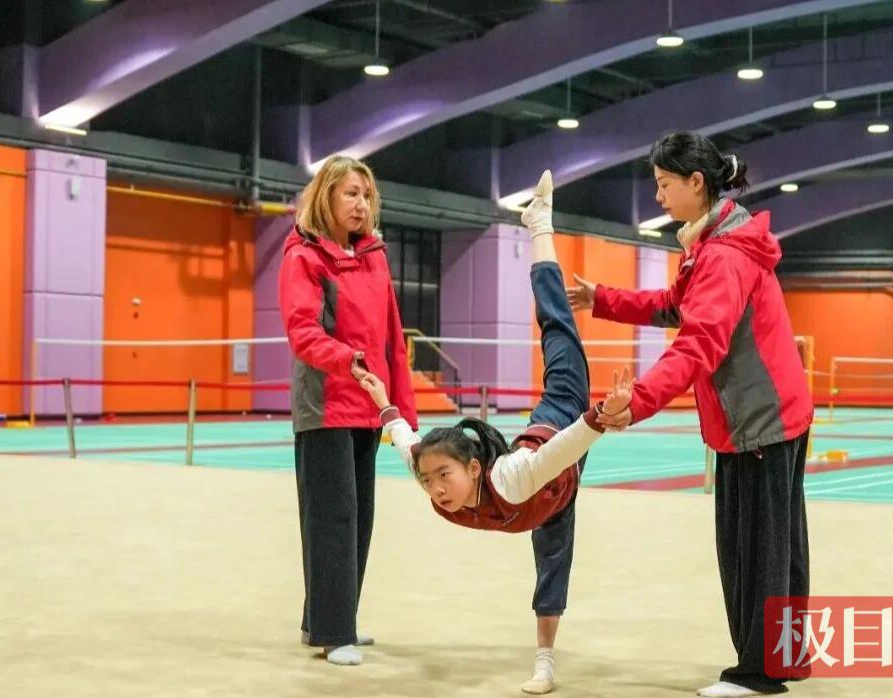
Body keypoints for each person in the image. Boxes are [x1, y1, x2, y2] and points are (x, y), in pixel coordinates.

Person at [357, 170, 632, 695]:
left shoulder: (513, 477)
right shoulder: (431, 477)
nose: (436, 488)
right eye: (429, 480)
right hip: (550, 496)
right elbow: (404, 439)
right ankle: (547, 662)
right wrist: (383, 401)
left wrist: (600, 414)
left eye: (444, 476)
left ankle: (539, 223)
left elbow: (565, 447)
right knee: (554, 558)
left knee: (556, 325)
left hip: (561, 419)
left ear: (474, 467)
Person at [566, 132, 814, 697]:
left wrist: (637, 402)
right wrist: (602, 298)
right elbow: (675, 306)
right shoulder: (718, 243)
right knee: (779, 545)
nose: (657, 196)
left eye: (663, 184)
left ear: (696, 183)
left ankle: (758, 674)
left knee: (753, 550)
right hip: (776, 415)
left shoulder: (722, 256)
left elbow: (698, 344)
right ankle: (786, 657)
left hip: (757, 421)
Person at [278, 155, 418, 666]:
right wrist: (346, 360)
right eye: (350, 194)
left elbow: (393, 338)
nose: (361, 205)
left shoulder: (375, 256)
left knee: (358, 518)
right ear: (327, 197)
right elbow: (302, 332)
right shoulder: (303, 257)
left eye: (366, 195)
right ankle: (334, 633)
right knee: (331, 519)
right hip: (325, 406)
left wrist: (402, 410)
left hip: (368, 406)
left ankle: (330, 619)